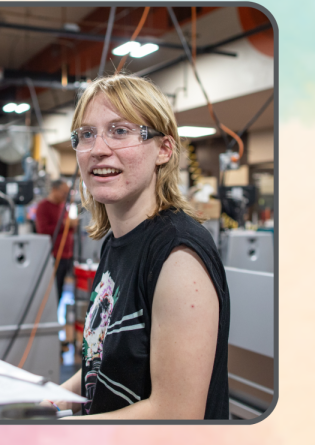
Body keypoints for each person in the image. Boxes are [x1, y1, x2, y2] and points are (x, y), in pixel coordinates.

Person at [55, 75, 229, 419]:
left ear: (163, 150)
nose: (99, 149)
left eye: (120, 131)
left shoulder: (177, 255)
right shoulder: (115, 244)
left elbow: (176, 413)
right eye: (87, 134)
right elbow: (98, 362)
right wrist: (45, 400)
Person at [34, 179, 75, 305]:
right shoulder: (43, 206)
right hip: (53, 256)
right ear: (54, 190)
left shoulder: (63, 207)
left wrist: (72, 225)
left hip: (66, 255)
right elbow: (43, 231)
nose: (66, 196)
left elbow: (67, 228)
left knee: (61, 289)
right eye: (63, 193)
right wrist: (65, 224)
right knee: (53, 291)